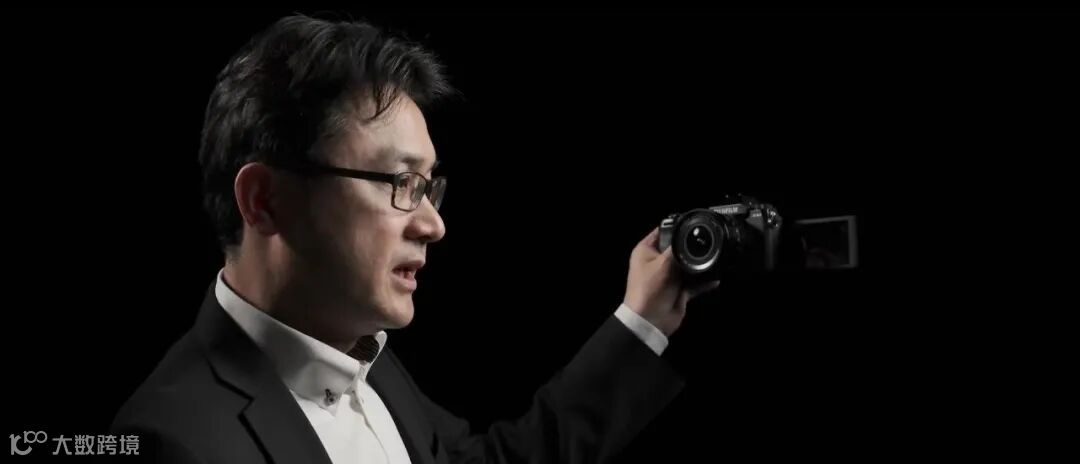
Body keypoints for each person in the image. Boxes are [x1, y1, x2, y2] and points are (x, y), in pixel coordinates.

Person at [110, 14, 719, 464]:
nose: (433, 224)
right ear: (265, 201)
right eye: (400, 183)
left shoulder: (366, 358)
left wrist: (642, 321)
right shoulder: (173, 442)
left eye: (429, 187)